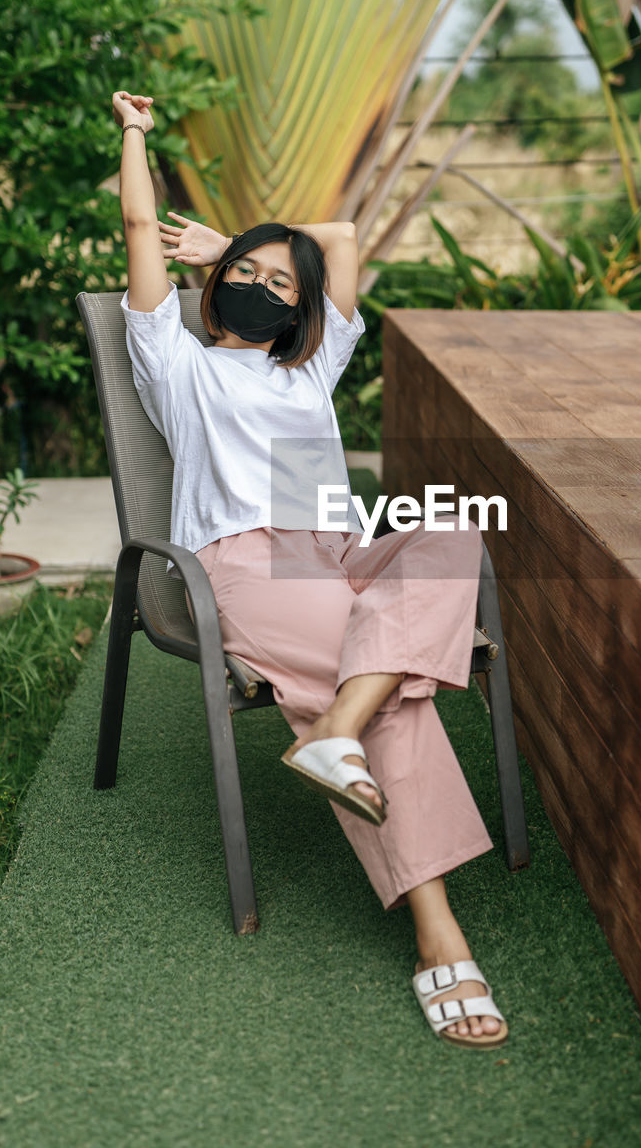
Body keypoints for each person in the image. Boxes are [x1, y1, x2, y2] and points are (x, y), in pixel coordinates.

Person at [112, 88, 508, 1048]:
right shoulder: (179, 363)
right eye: (242, 272)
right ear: (207, 290)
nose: (259, 284)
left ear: (301, 313)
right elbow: (134, 221)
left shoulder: (309, 368)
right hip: (250, 562)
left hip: (336, 549)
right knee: (397, 694)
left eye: (279, 283)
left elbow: (339, 234)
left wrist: (236, 241)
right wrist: (136, 136)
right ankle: (437, 933)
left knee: (453, 528)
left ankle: (333, 730)